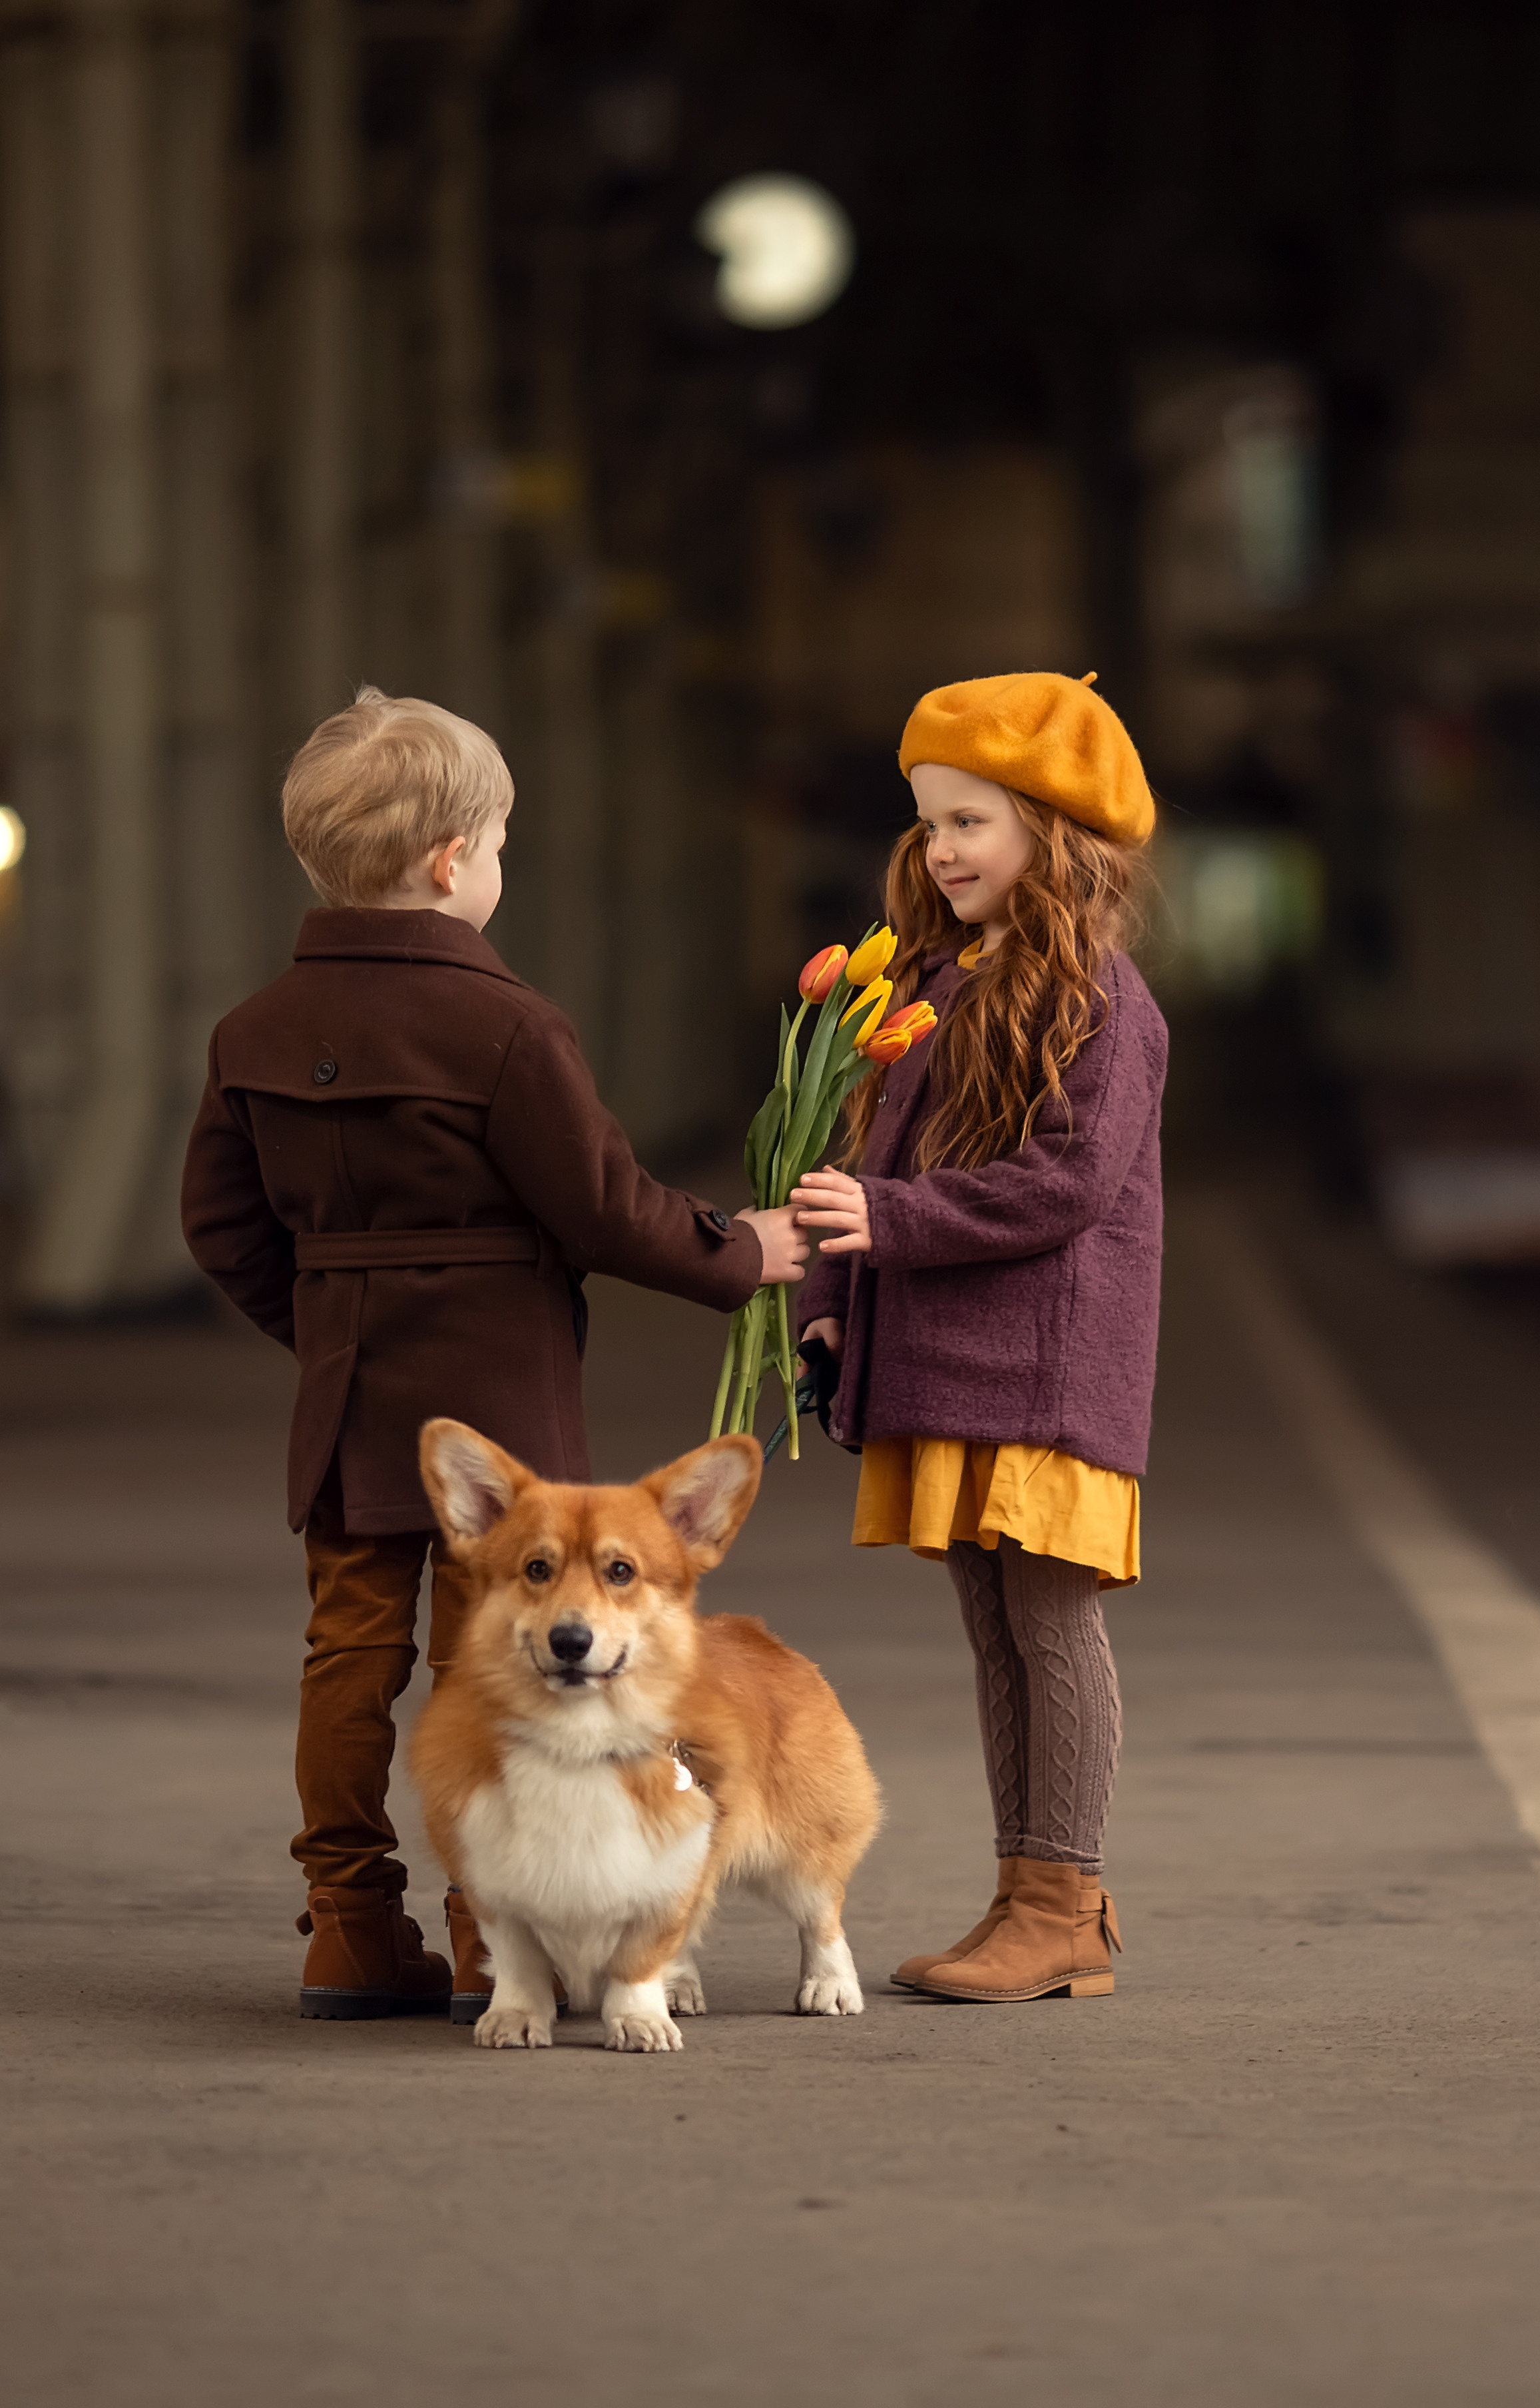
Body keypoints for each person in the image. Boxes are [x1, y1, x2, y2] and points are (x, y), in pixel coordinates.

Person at [180, 687, 806, 2020]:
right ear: (453, 860)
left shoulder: (253, 1030)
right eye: (504, 842)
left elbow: (219, 1223)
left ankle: (347, 1926)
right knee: (507, 1666)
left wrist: (325, 1332)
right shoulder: (509, 1025)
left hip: (350, 1400)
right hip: (501, 1415)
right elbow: (602, 1203)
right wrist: (739, 1251)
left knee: (346, 1653)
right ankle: (484, 1937)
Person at [791, 671, 1165, 2002]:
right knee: (995, 1629)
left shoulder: (1104, 1002)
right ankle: (1026, 1897)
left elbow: (1066, 1182)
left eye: (971, 822)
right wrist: (829, 1307)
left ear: (1055, 837)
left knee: (1049, 1625)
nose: (941, 850)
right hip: (951, 1363)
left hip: (1050, 1370)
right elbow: (863, 1156)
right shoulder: (933, 984)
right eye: (929, 824)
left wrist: (881, 1223)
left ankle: (1062, 1899)